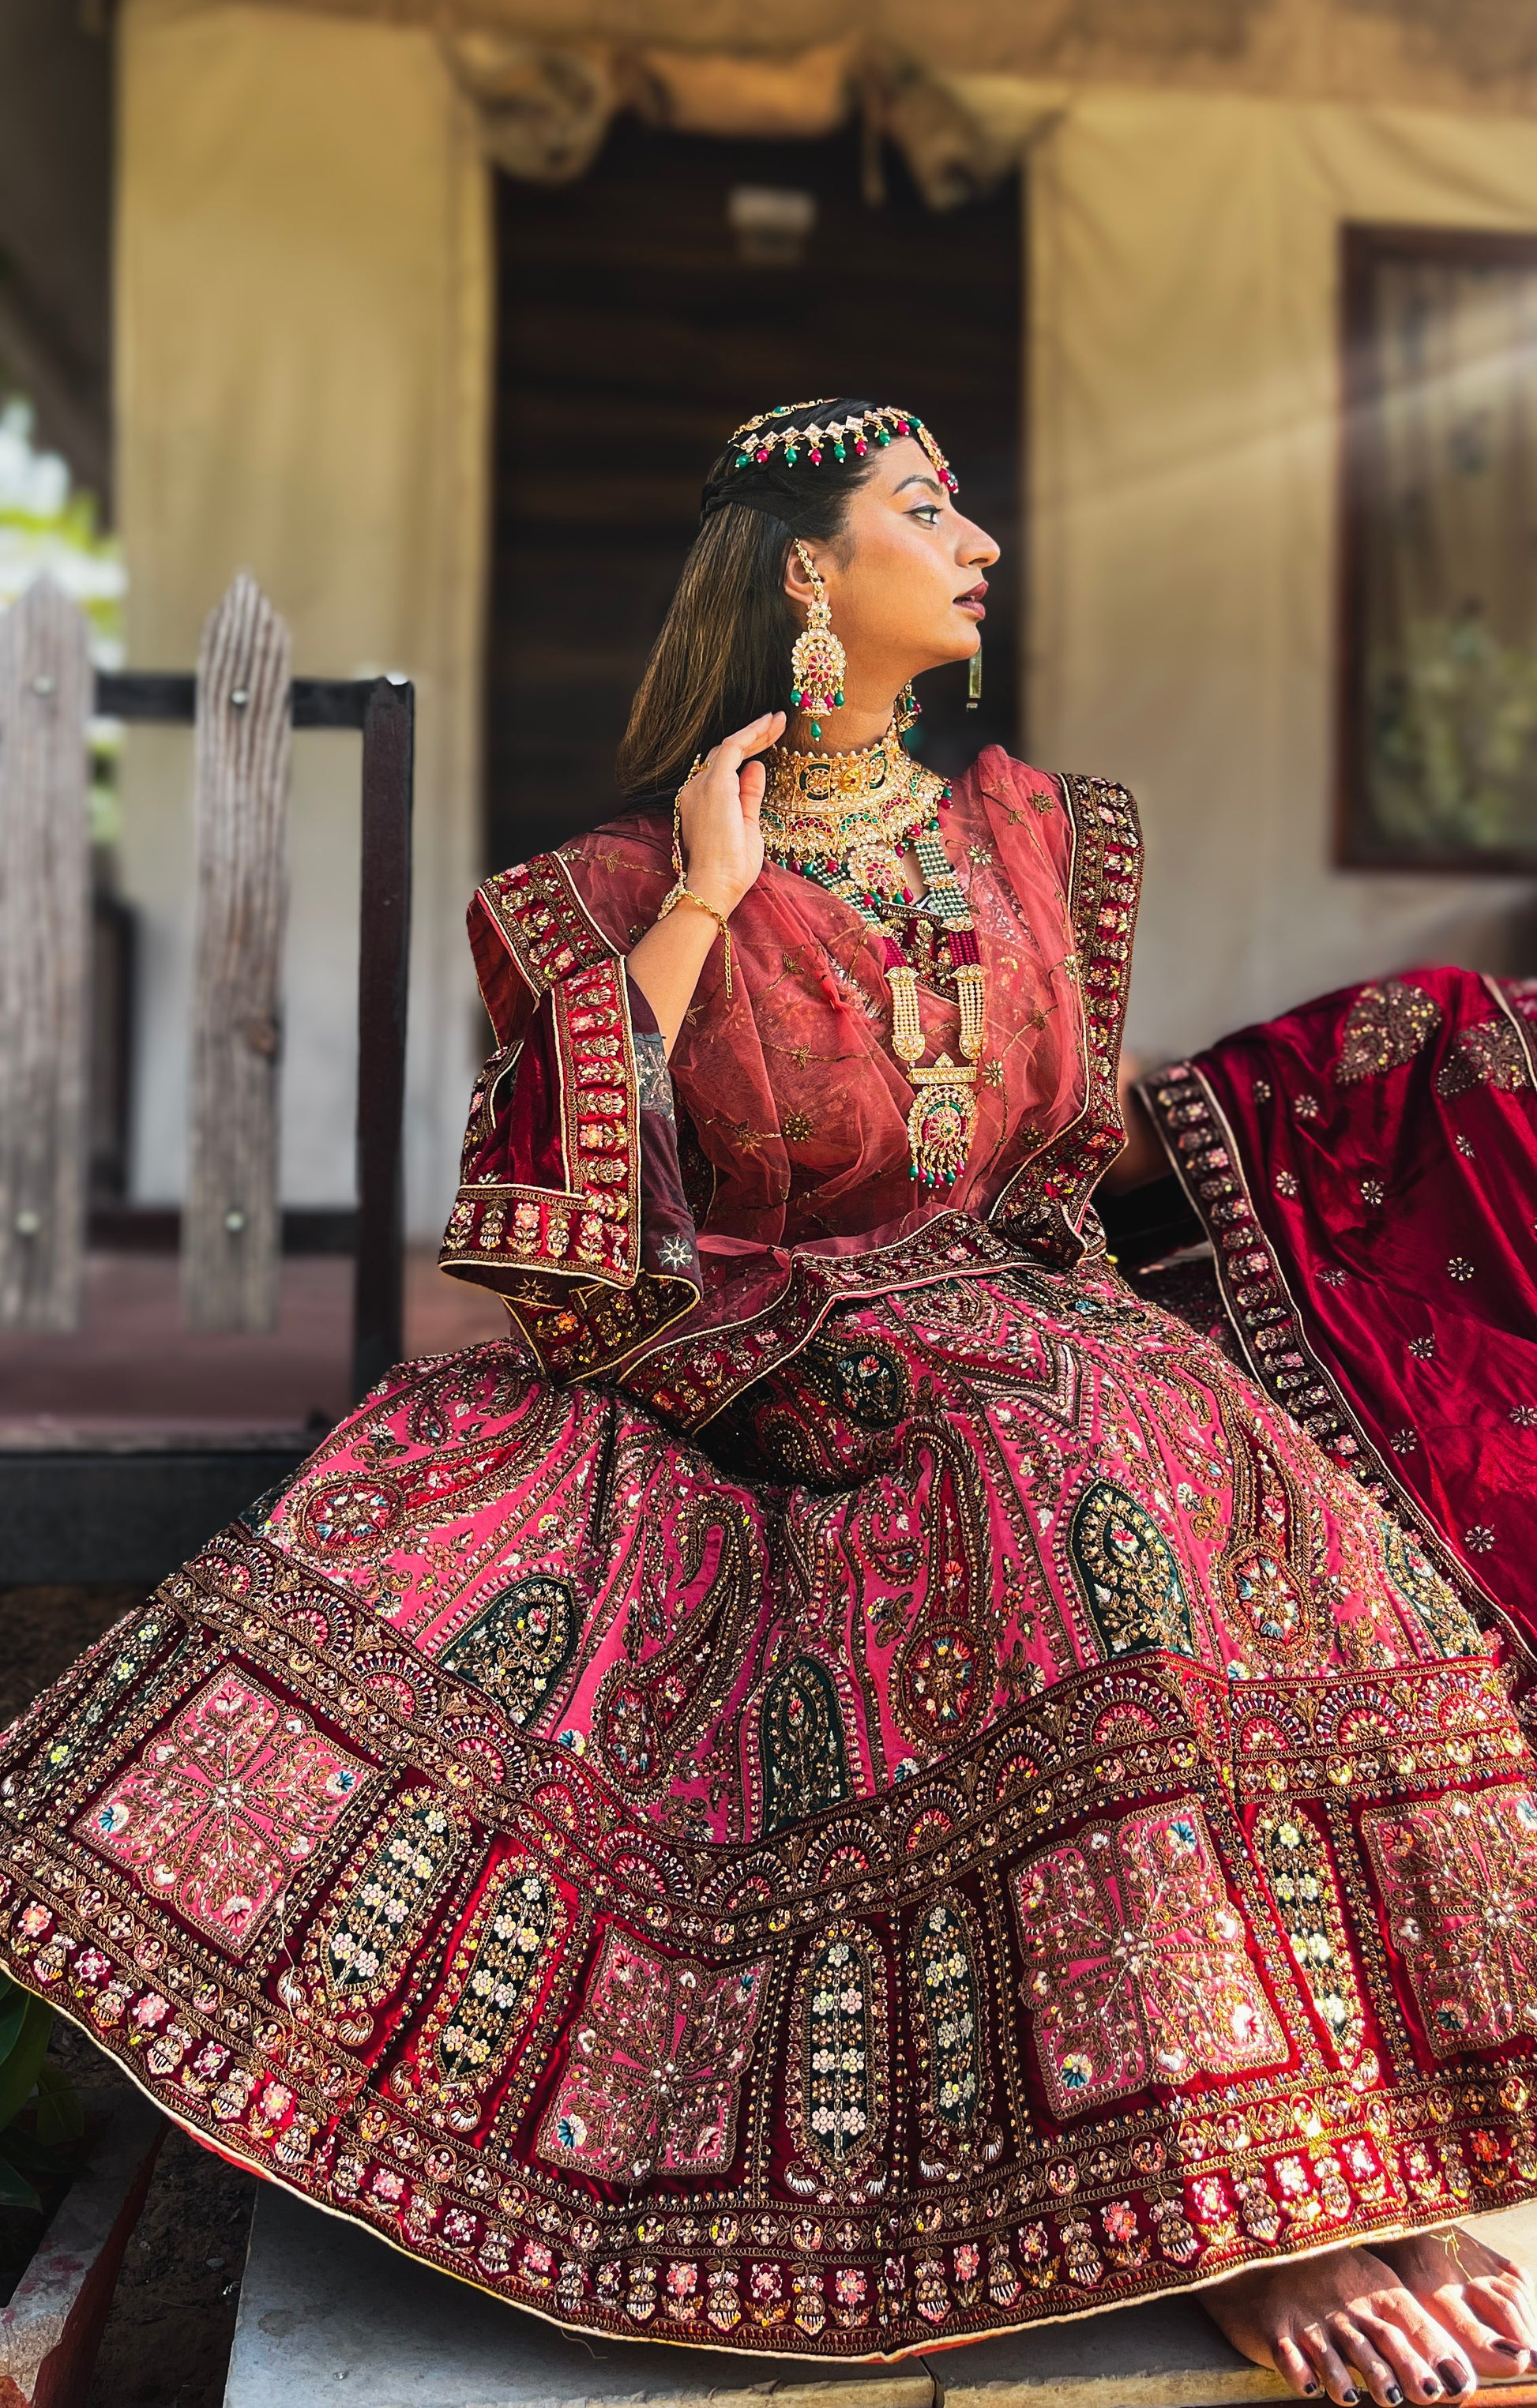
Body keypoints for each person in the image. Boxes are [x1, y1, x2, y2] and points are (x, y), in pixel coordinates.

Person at [5, 399, 1537, 2394]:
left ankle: (1374, 2149)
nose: (977, 540)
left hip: (1033, 1319)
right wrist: (706, 901)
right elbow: (552, 1234)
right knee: (1054, 1489)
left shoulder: (1034, 836)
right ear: (806, 575)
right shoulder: (602, 890)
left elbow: (1056, 1162)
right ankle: (1235, 2201)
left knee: (1244, 1486)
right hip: (777, 1353)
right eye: (928, 509)